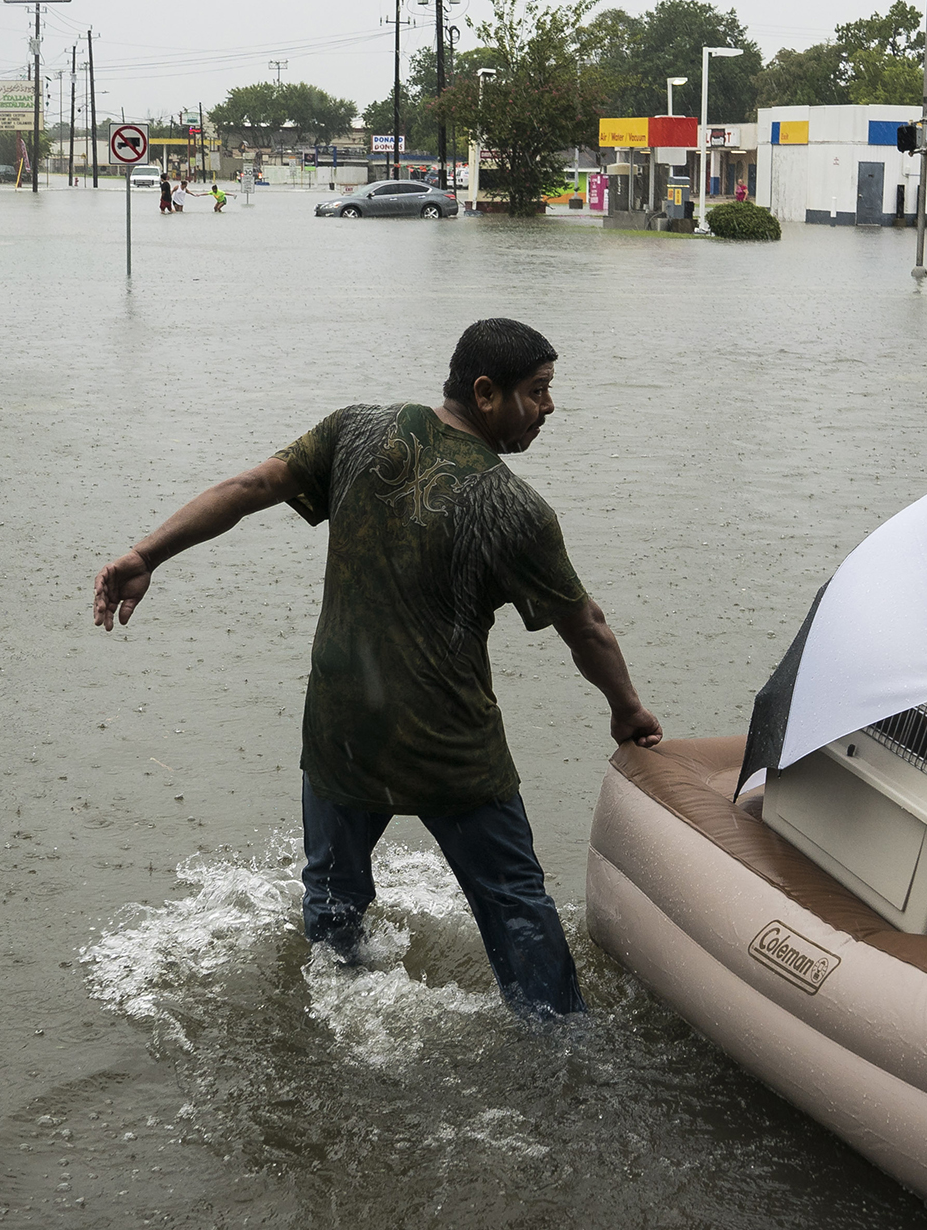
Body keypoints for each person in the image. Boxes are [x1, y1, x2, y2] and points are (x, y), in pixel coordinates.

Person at [91, 319, 660, 1018]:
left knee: (333, 902)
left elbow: (250, 486)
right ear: (486, 393)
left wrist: (146, 555)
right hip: (446, 743)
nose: (549, 407)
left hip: (343, 726)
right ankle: (562, 1046)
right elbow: (586, 627)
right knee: (514, 904)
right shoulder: (514, 509)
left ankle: (341, 1016)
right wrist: (627, 710)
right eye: (537, 392)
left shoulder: (357, 431)